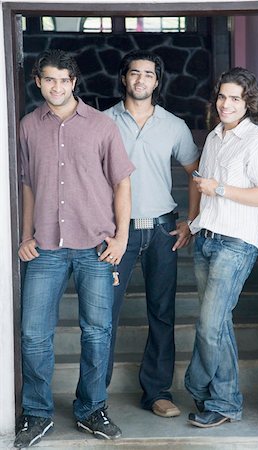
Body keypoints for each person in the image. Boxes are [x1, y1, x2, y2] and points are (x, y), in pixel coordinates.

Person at [14, 49, 135, 448]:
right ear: (38, 82)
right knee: (33, 335)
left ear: (74, 82)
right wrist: (26, 234)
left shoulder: (101, 126)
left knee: (97, 333)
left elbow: (121, 183)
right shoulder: (28, 126)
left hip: (96, 247)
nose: (57, 86)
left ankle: (91, 410)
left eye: (64, 80)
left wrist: (121, 238)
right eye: (49, 79)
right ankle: (36, 414)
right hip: (45, 246)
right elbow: (28, 184)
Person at [104, 50, 200, 418]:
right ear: (124, 78)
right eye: (134, 73)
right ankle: (96, 396)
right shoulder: (102, 121)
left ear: (157, 81)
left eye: (148, 74)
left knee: (162, 312)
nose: (141, 79)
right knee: (104, 314)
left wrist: (190, 220)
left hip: (162, 230)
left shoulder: (174, 125)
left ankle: (157, 392)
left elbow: (195, 172)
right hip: (116, 234)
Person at [184, 67, 258, 428]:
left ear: (248, 103)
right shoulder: (213, 137)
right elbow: (202, 186)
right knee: (217, 323)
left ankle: (197, 383)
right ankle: (224, 401)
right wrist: (192, 225)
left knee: (210, 326)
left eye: (235, 98)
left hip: (236, 245)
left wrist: (220, 189)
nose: (226, 104)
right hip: (207, 240)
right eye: (222, 96)